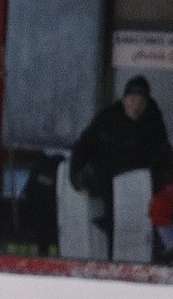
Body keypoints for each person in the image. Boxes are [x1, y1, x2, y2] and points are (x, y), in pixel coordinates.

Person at [69, 75, 173, 249]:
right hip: (108, 173)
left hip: (140, 177)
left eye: (141, 102)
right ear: (124, 100)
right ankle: (110, 219)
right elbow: (84, 145)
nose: (135, 107)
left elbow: (161, 154)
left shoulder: (153, 123)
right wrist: (75, 172)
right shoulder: (108, 118)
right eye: (132, 100)